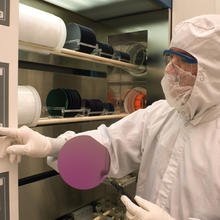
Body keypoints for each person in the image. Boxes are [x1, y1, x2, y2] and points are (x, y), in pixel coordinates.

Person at [0, 14, 220, 220]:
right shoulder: (161, 115)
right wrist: (52, 145)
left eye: (182, 61)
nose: (170, 70)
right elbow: (109, 145)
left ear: (211, 70)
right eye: (170, 58)